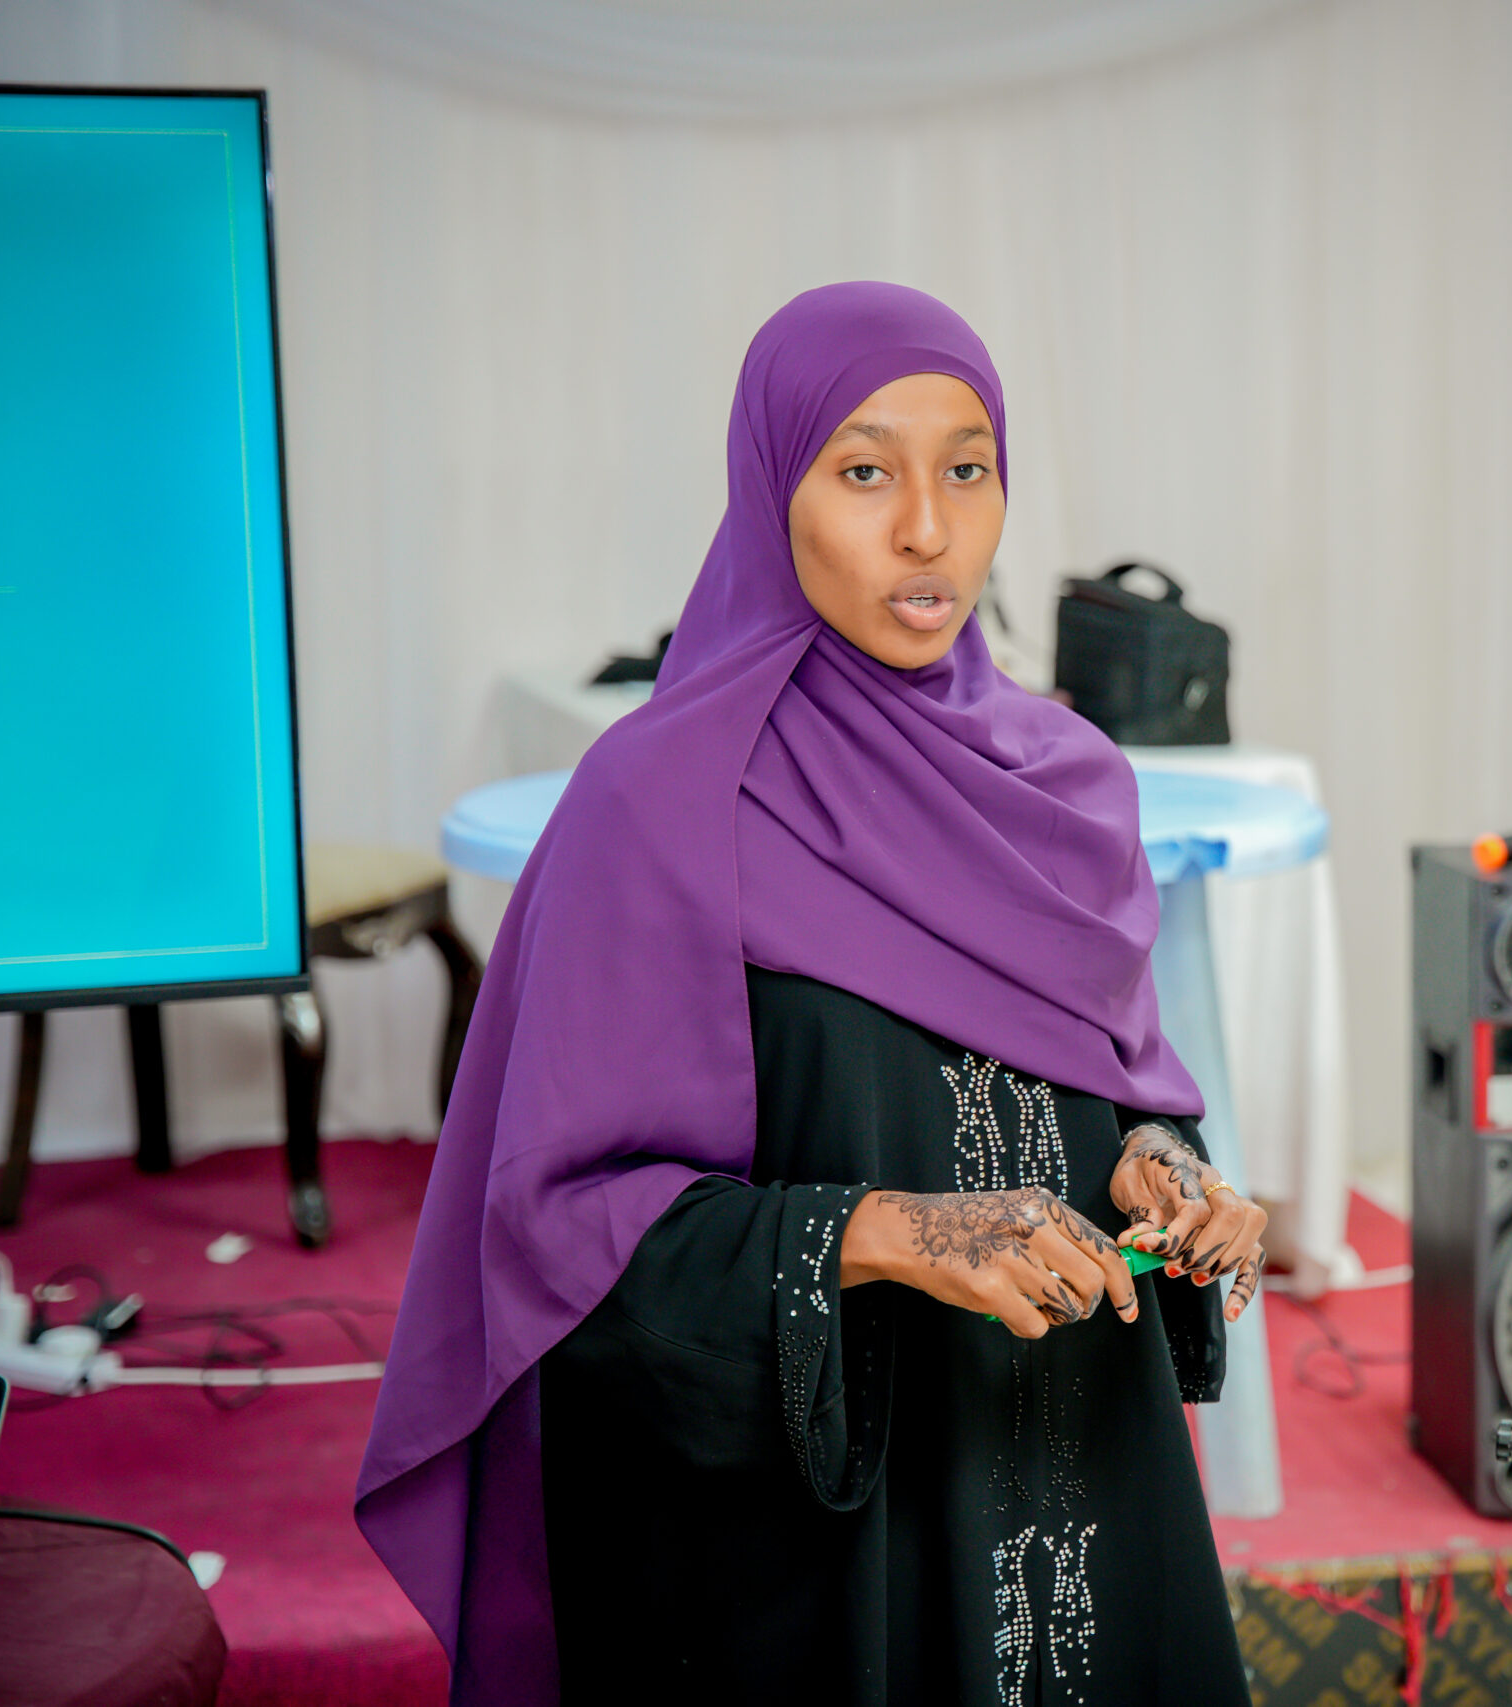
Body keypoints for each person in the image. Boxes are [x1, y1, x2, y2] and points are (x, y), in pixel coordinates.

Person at [357, 282, 1264, 1707]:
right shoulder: (660, 805)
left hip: (1087, 1481)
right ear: (771, 493)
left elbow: (1126, 1091)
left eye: (967, 470)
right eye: (862, 472)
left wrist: (1168, 1176)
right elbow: (559, 1234)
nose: (925, 528)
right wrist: (888, 1232)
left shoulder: (1070, 780)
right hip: (826, 1555)